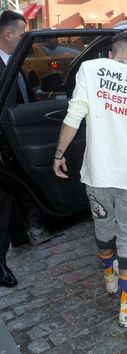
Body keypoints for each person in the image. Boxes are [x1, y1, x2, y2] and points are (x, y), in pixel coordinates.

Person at [53, 31, 127, 327]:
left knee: (103, 228)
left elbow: (74, 114)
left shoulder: (90, 69)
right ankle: (126, 307)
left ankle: (109, 279)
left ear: (110, 53)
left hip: (97, 173)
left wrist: (58, 154)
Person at [0, 10, 27, 287]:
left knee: (15, 194)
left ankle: (20, 235)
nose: (24, 39)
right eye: (21, 35)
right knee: (2, 204)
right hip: (2, 146)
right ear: (8, 35)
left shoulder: (12, 60)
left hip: (16, 142)